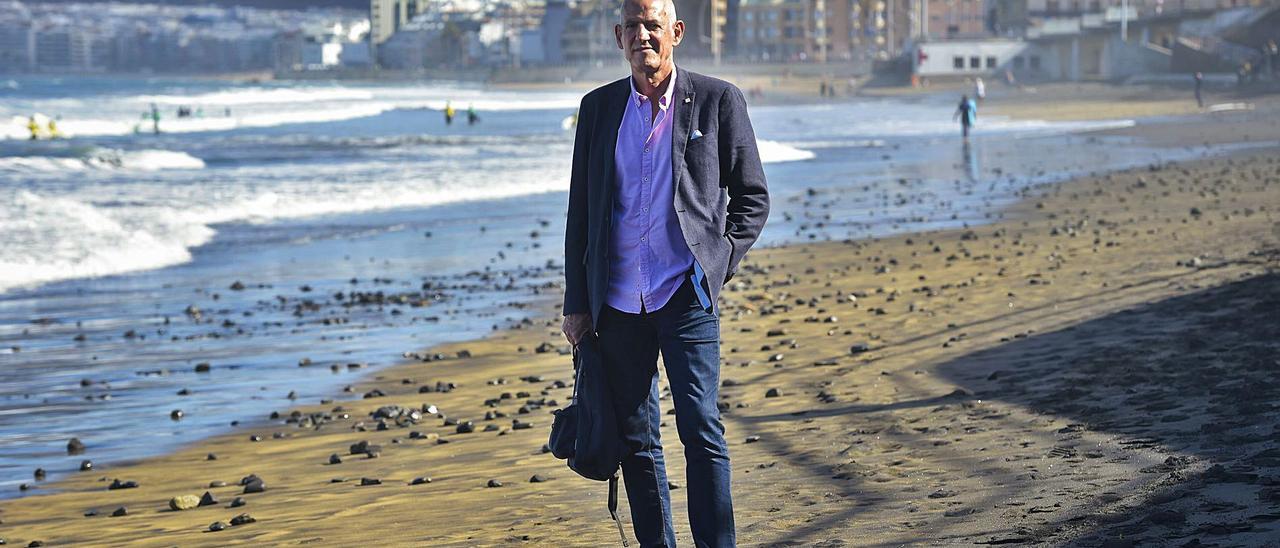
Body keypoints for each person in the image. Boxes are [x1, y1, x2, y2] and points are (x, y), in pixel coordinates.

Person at [561, 0, 769, 545]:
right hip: (619, 303)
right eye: (632, 26)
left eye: (652, 26)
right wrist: (576, 303)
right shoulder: (599, 108)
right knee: (637, 440)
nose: (642, 36)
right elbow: (580, 212)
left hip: (686, 295)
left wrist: (715, 264)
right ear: (618, 36)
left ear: (675, 32)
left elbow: (753, 198)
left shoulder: (719, 101)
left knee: (701, 430)